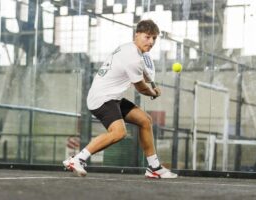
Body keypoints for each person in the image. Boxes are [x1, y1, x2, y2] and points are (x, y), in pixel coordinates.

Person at [63, 19, 178, 179]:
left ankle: (154, 167)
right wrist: (153, 92)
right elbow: (141, 87)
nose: (151, 42)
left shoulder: (131, 49)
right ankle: (77, 159)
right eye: (147, 37)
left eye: (154, 38)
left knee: (145, 120)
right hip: (101, 98)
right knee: (119, 132)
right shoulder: (132, 57)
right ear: (137, 35)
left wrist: (152, 83)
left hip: (113, 97)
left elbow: (144, 70)